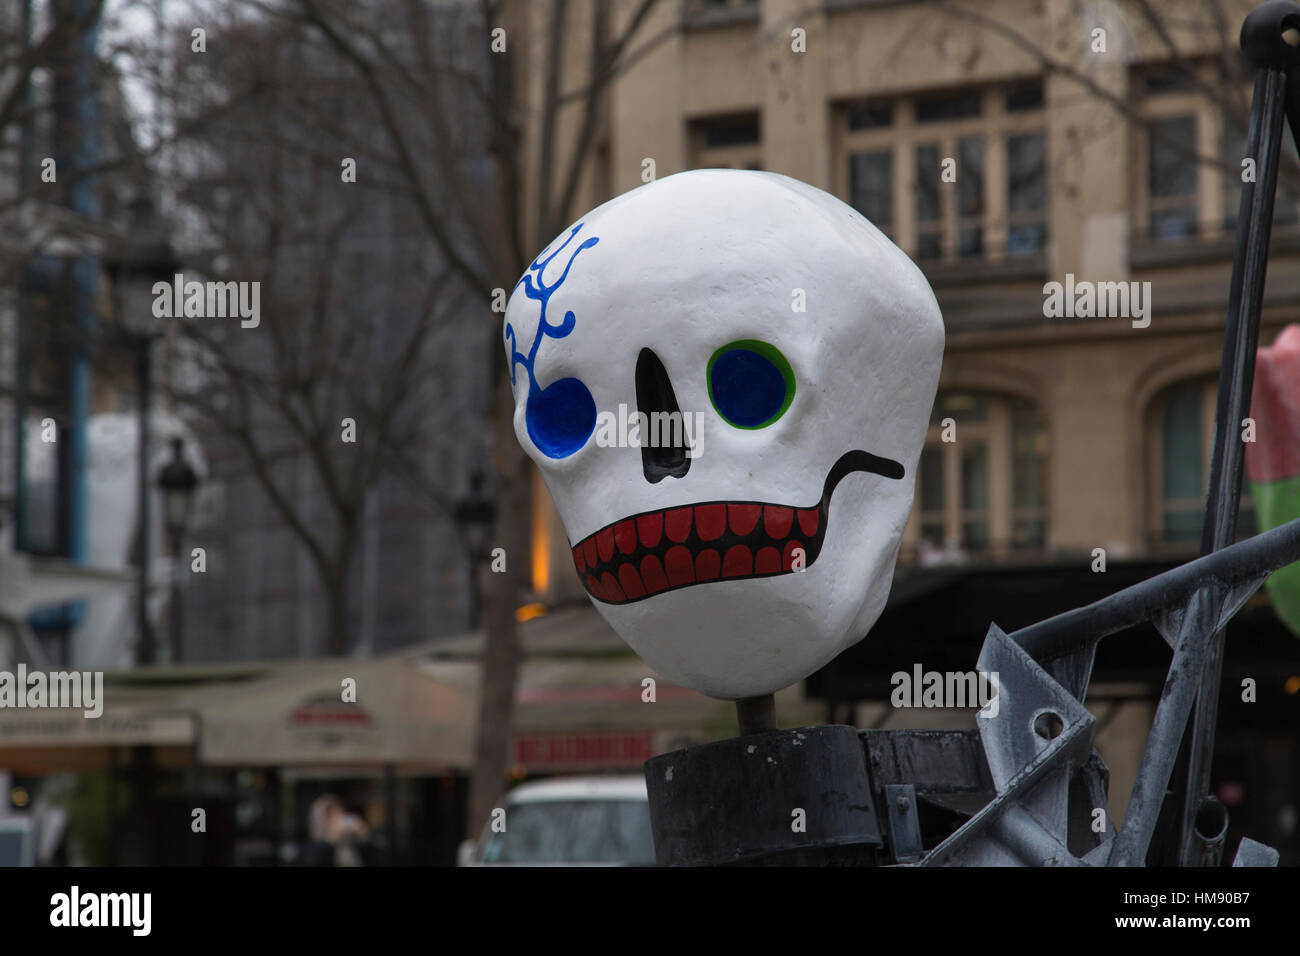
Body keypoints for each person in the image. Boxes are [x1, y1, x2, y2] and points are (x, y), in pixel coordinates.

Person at [302, 793, 372, 866]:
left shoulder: (351, 842)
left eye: (338, 811)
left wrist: (362, 832)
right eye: (330, 814)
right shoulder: (315, 848)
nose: (337, 816)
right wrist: (333, 838)